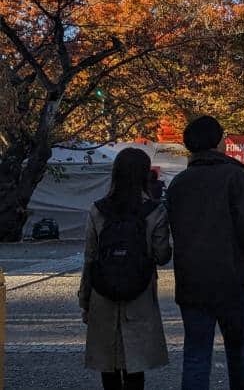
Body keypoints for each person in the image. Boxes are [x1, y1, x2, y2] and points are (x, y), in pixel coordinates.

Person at [166, 116, 244, 390]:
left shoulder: (179, 183)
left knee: (196, 353)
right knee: (238, 352)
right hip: (231, 278)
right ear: (218, 142)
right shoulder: (235, 176)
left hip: (191, 278)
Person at [79, 148, 171, 390]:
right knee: (135, 364)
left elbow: (90, 257)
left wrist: (85, 300)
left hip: (102, 294)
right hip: (139, 292)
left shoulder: (98, 209)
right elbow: (162, 256)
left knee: (108, 364)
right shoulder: (155, 211)